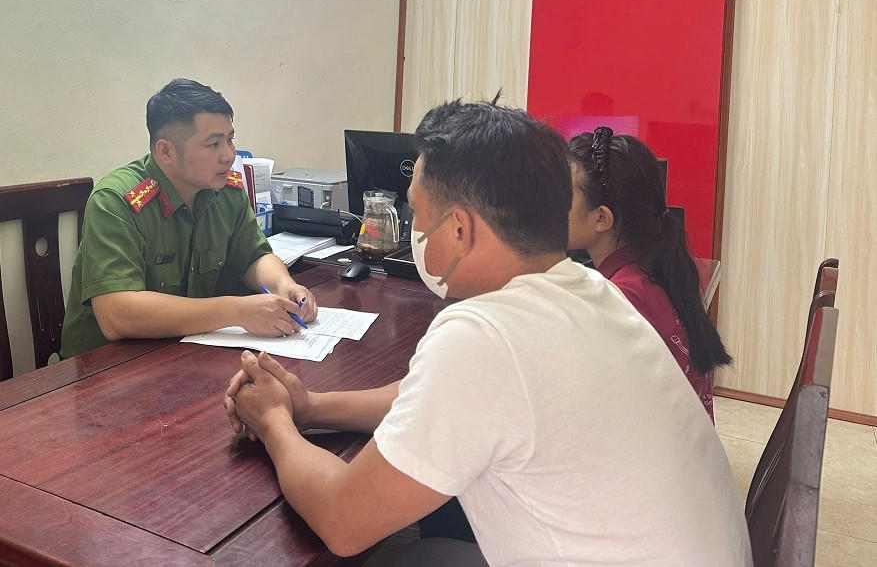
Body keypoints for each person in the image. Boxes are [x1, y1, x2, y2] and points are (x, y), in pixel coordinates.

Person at [223, 99, 752, 566]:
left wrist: (273, 421)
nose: (413, 229)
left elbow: (342, 521)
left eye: (416, 212)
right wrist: (310, 407)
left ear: (459, 229)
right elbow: (423, 397)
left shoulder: (484, 336)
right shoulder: (592, 291)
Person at [59, 78, 318, 359]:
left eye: (230, 139)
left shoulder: (225, 191)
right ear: (166, 151)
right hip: (106, 367)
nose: (229, 155)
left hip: (182, 351)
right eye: (214, 144)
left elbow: (254, 256)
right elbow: (116, 315)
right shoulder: (116, 201)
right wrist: (237, 311)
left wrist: (285, 286)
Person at [567, 127, 732, 419]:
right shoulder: (655, 267)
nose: (547, 206)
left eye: (562, 196)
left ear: (602, 218)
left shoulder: (623, 297)